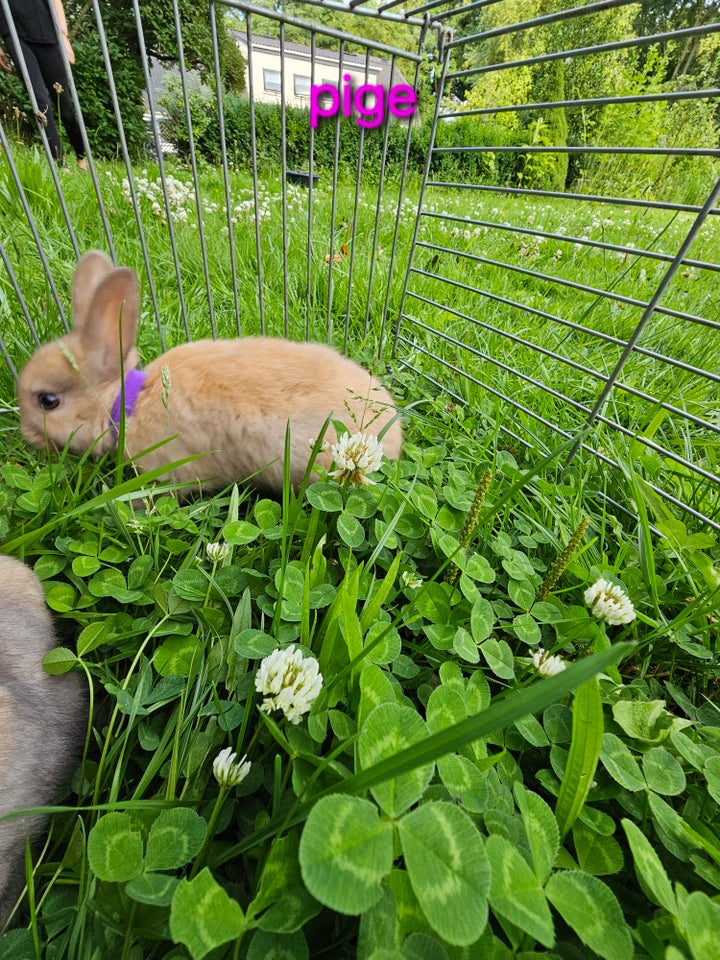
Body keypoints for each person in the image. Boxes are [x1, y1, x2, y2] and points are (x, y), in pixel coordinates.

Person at [0, 0, 87, 168]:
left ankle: (81, 157)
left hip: (46, 29)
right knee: (40, 101)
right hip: (13, 32)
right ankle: (60, 164)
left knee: (65, 106)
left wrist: (64, 36)